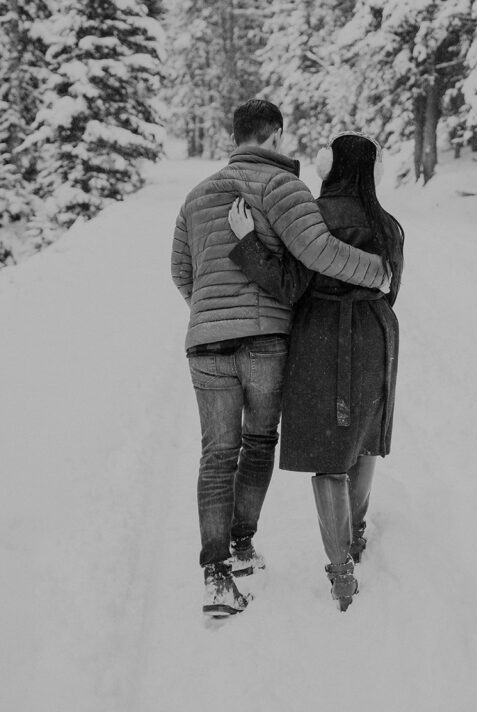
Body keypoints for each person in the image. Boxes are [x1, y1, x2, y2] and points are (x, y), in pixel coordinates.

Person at [170, 101, 389, 619]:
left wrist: (211, 315)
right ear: (276, 135)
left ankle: (217, 578)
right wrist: (377, 272)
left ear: (235, 134)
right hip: (266, 340)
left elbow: (182, 272)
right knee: (258, 442)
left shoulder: (196, 195)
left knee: (216, 455)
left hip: (205, 344)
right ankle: (243, 547)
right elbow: (319, 252)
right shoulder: (281, 187)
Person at [227, 130, 404, 611]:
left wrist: (247, 245)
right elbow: (392, 290)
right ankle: (357, 534)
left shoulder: (317, 218)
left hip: (323, 338)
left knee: (329, 453)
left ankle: (341, 571)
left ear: (330, 167)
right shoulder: (389, 225)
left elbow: (287, 284)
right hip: (375, 336)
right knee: (363, 437)